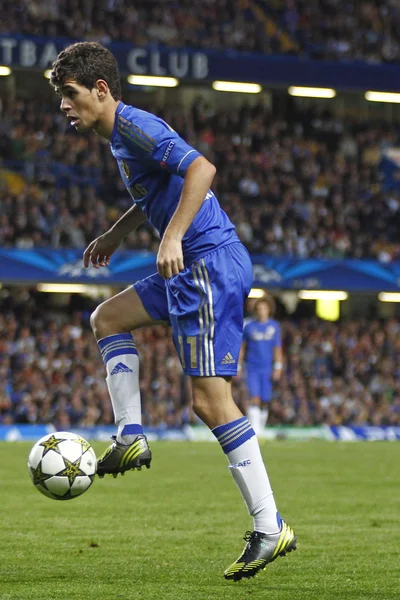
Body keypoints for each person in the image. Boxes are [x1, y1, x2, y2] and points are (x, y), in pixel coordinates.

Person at [50, 41, 296, 581]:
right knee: (106, 319)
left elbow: (202, 169)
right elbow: (155, 192)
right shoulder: (120, 138)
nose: (64, 107)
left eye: (70, 95)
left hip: (206, 263)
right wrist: (118, 233)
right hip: (187, 268)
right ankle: (130, 434)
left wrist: (174, 236)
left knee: (211, 404)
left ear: (101, 90)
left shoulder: (135, 125)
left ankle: (269, 526)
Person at [240, 296, 282, 435]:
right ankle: (255, 429)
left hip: (267, 368)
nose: (261, 311)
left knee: (265, 400)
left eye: (264, 308)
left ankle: (261, 428)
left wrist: (278, 366)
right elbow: (243, 347)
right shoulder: (249, 327)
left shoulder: (274, 326)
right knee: (254, 397)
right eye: (259, 309)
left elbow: (277, 348)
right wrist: (238, 365)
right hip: (252, 367)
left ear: (268, 310)